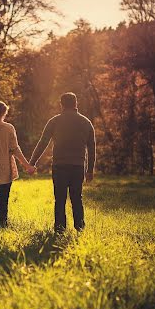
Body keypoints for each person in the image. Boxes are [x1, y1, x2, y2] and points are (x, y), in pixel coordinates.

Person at [29, 92, 96, 233]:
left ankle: (59, 229)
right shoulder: (86, 122)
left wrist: (32, 162)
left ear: (61, 104)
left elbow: (43, 143)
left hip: (60, 165)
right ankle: (80, 228)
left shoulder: (54, 121)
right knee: (76, 197)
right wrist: (90, 170)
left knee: (59, 199)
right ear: (76, 103)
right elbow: (91, 148)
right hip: (78, 166)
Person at [0, 101, 36, 232]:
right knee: (3, 201)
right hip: (5, 169)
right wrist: (27, 165)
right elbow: (15, 149)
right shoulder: (9, 128)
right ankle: (1, 228)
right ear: (4, 112)